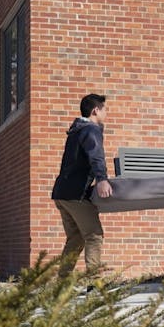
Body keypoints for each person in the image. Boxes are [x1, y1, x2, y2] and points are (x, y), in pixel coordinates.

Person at [50, 93, 114, 275]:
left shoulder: (76, 130)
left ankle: (62, 284)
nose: (106, 114)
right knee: (94, 235)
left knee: (75, 238)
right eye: (105, 110)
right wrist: (102, 179)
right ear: (96, 110)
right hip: (75, 194)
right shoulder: (91, 130)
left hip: (61, 193)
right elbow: (96, 156)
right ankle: (95, 284)